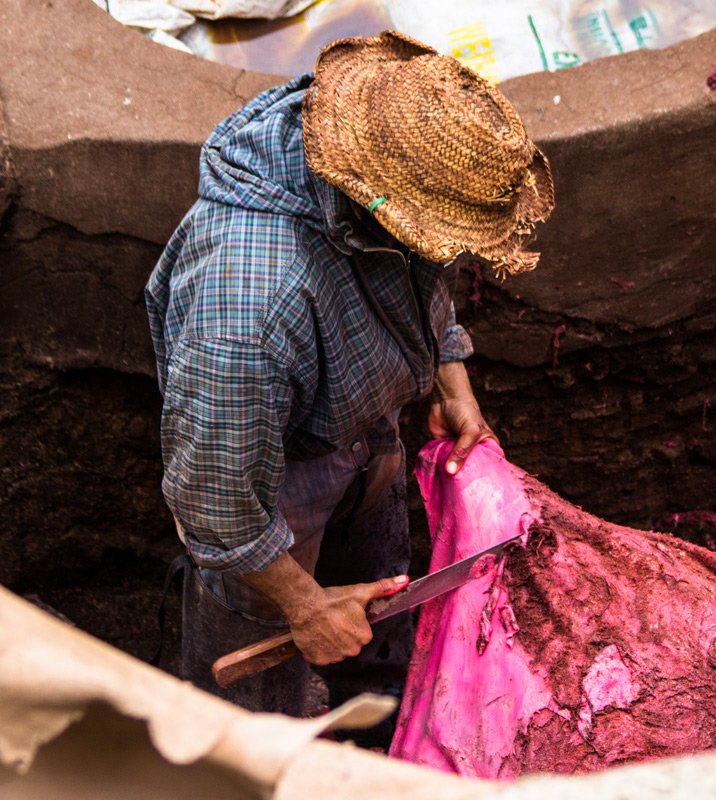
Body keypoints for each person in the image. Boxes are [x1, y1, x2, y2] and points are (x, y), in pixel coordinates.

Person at [143, 31, 554, 729]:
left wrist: (453, 383)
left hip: (366, 440)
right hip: (266, 485)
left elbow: (426, 274)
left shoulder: (387, 173)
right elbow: (215, 501)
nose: (449, 251)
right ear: (378, 202)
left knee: (381, 625)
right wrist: (303, 606)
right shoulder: (249, 308)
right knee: (247, 723)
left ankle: (388, 734)